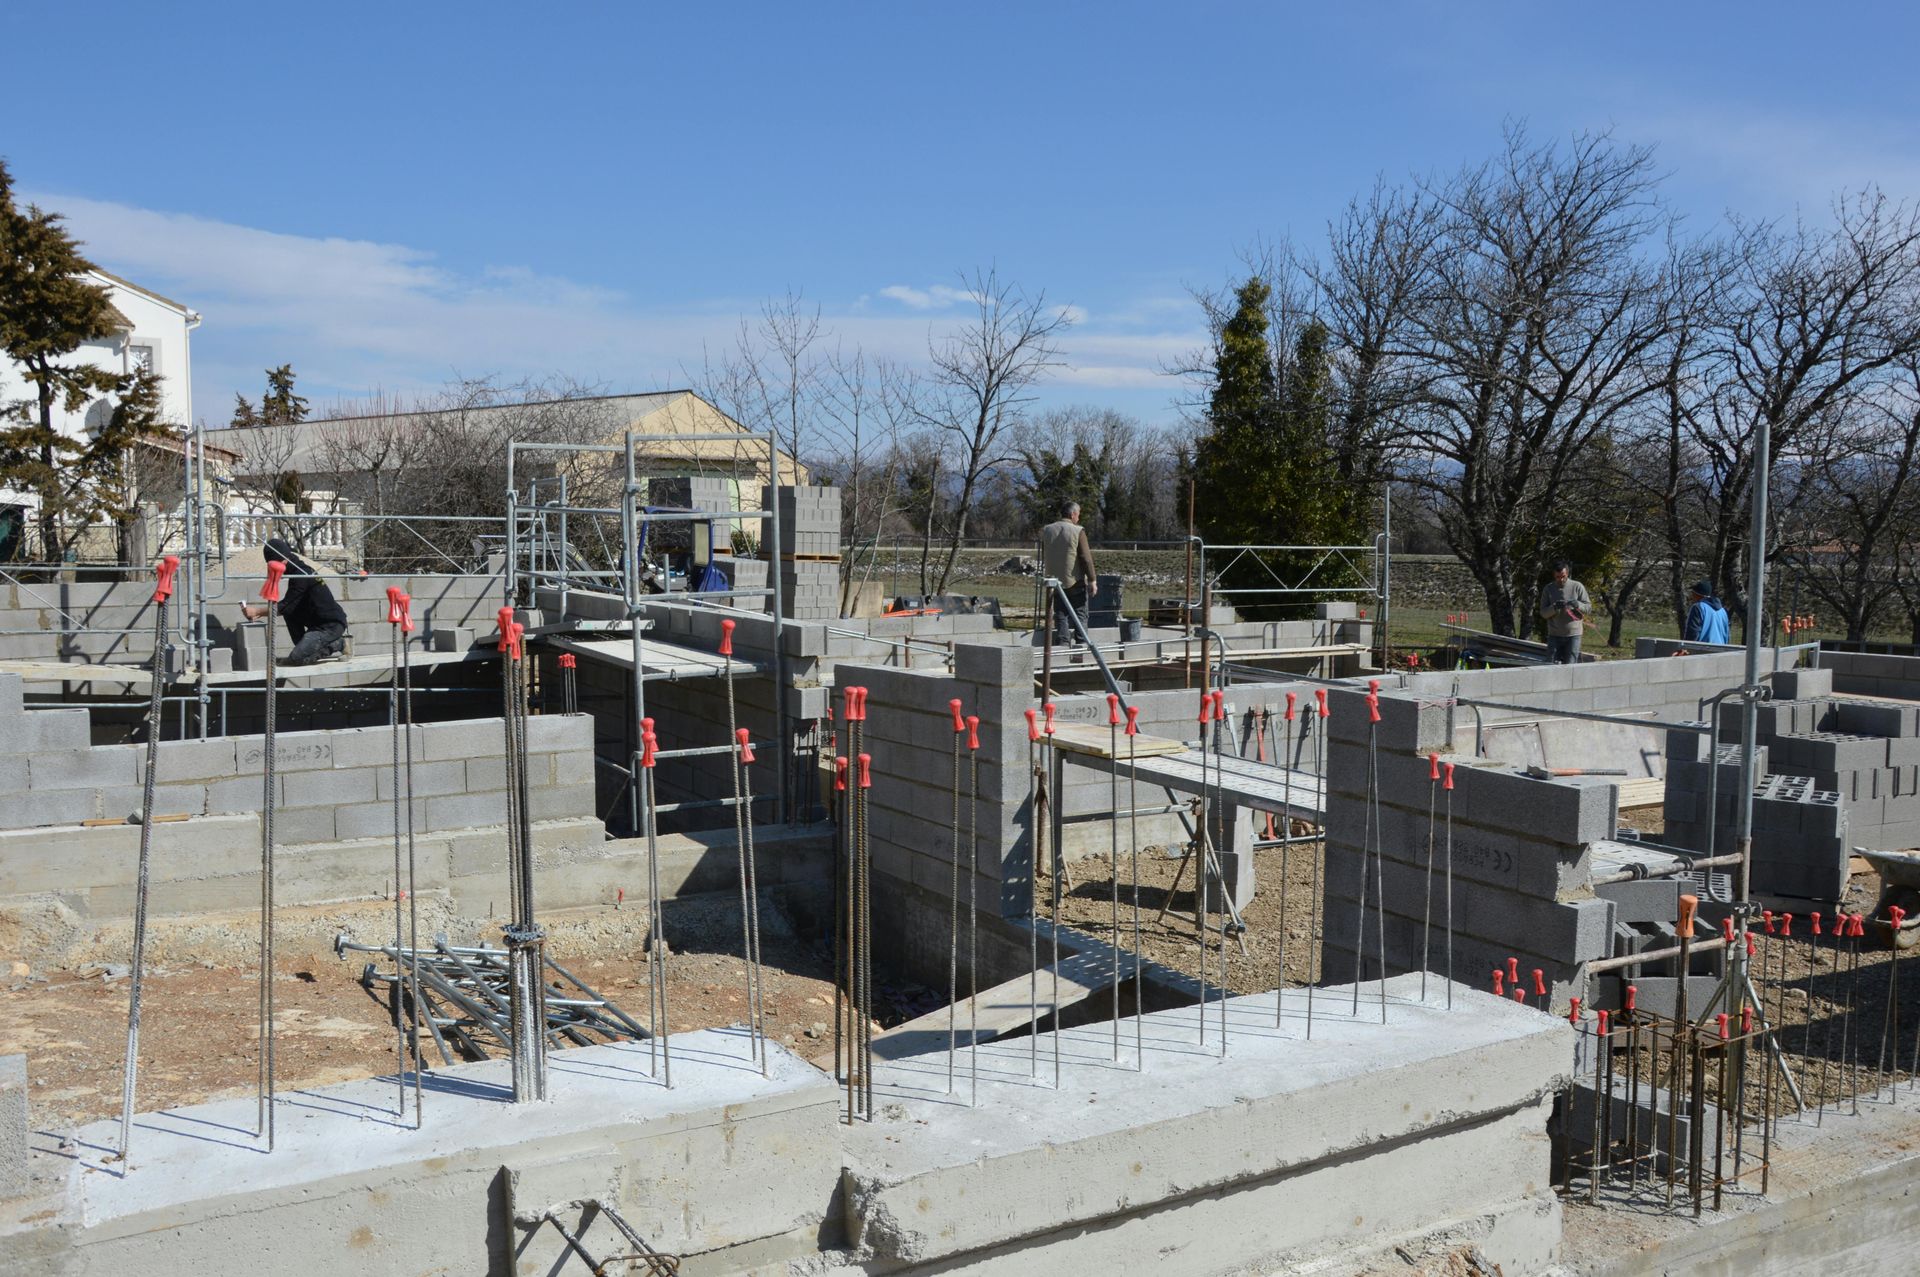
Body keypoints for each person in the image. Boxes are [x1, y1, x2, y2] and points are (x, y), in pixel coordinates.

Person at [241, 537, 349, 665]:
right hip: (317, 624)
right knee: (290, 614)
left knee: (297, 659)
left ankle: (339, 644)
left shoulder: (301, 575)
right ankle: (303, 649)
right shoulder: (298, 572)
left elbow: (285, 606)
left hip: (330, 626)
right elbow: (289, 608)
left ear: (283, 562)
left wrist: (256, 611)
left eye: (273, 566)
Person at [1039, 501, 1096, 645]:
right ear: (1073, 514)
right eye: (1078, 514)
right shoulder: (1077, 531)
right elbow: (1085, 558)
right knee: (1080, 615)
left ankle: (1062, 647)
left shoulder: (1047, 530)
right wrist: (1092, 579)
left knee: (1060, 615)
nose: (1079, 518)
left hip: (1054, 581)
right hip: (1074, 581)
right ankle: (1081, 649)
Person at [1537, 559, 1590, 665]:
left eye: (1563, 576)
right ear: (1554, 575)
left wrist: (1578, 604)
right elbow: (1543, 613)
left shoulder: (1577, 586)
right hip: (1554, 635)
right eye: (1558, 577)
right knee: (1550, 665)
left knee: (1571, 667)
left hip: (1573, 635)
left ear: (1567, 574)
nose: (1561, 579)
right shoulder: (1548, 589)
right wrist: (1554, 607)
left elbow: (1588, 608)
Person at [1684, 579, 1731, 645]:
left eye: (1693, 593)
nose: (1692, 595)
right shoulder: (1723, 611)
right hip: (1720, 651)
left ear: (1697, 594)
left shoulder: (1698, 607)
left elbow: (1693, 632)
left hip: (1702, 650)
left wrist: (1686, 647)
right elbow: (1727, 635)